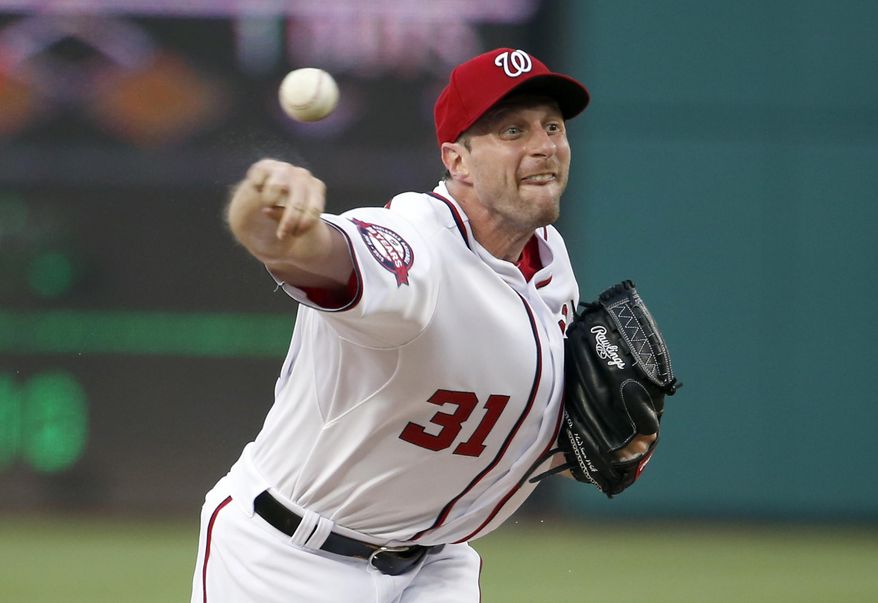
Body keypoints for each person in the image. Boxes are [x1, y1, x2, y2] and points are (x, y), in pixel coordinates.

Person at [190, 47, 655, 603]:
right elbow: (308, 252)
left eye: (552, 126)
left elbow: (481, 417)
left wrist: (577, 451)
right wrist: (268, 215)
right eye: (512, 131)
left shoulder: (548, 264)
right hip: (287, 560)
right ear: (457, 161)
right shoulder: (413, 248)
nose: (543, 146)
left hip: (438, 565)